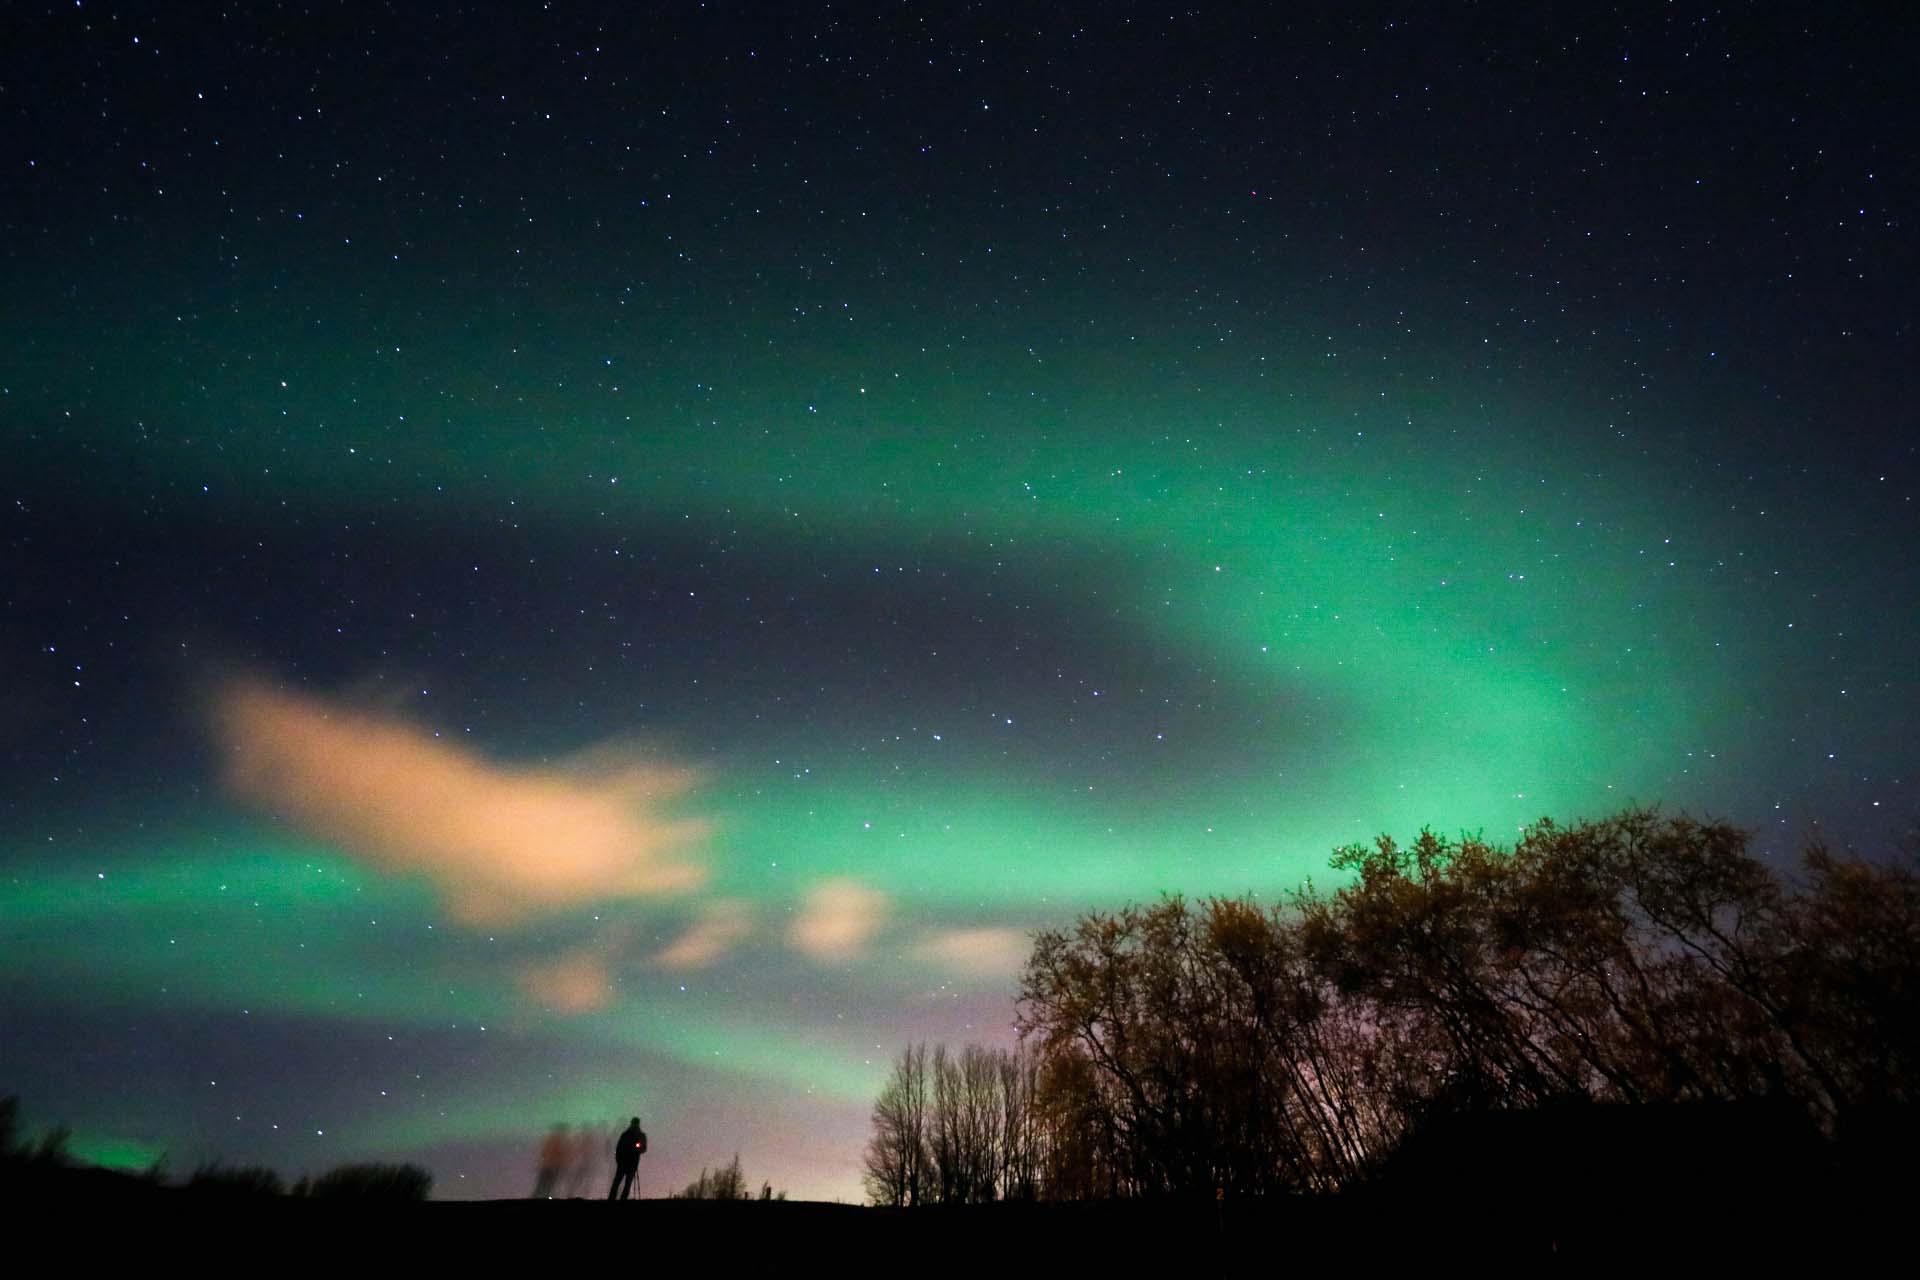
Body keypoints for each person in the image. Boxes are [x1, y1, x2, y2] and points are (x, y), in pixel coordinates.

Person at [608, 1115, 647, 1200]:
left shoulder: (637, 1135)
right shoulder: (628, 1134)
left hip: (630, 1163)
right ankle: (613, 1198)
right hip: (626, 1162)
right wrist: (619, 1159)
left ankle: (617, 1199)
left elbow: (643, 1149)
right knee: (620, 1182)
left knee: (624, 1183)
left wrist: (638, 1149)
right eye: (634, 1123)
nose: (635, 1125)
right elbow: (619, 1148)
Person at [532, 1122, 570, 1198]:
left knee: (542, 1184)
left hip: (546, 1165)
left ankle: (537, 1196)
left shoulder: (549, 1140)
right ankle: (545, 1196)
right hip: (553, 1166)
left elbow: (543, 1153)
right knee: (549, 1184)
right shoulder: (559, 1141)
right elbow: (561, 1154)